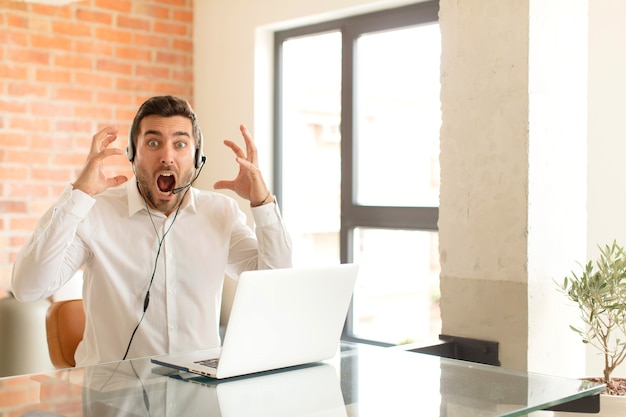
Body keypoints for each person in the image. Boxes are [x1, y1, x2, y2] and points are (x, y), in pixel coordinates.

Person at [11, 95, 292, 366]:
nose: (167, 157)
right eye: (154, 142)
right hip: (115, 402)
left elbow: (276, 286)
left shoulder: (221, 213)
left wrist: (263, 201)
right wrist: (79, 195)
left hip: (198, 399)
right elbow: (27, 288)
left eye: (180, 144)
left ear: (197, 157)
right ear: (133, 154)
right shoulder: (95, 212)